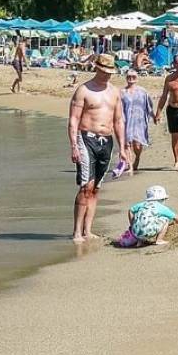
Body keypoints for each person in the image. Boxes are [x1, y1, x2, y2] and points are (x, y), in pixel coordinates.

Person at [67, 52, 126, 242]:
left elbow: (119, 121)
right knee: (86, 186)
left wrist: (123, 148)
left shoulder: (115, 92)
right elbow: (73, 119)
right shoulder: (84, 90)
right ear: (97, 69)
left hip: (106, 140)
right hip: (86, 138)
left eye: (110, 72)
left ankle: (88, 230)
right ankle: (77, 231)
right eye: (105, 71)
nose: (108, 75)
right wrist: (74, 146)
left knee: (96, 188)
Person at [114, 183, 178, 247]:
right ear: (162, 199)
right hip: (148, 231)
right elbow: (175, 216)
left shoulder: (143, 204)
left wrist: (132, 223)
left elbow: (131, 210)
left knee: (142, 219)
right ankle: (159, 240)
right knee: (165, 219)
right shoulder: (161, 207)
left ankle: (140, 241)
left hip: (135, 232)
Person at [120, 69, 156, 175]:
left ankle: (138, 157)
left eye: (133, 77)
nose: (131, 79)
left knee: (137, 145)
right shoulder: (122, 92)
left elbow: (149, 106)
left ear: (137, 78)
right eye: (129, 77)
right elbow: (117, 108)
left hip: (139, 121)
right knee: (127, 144)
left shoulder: (143, 91)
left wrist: (154, 116)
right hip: (126, 121)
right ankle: (130, 166)